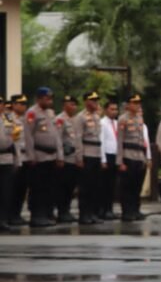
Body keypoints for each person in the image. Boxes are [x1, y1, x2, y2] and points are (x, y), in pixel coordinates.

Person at [24, 87, 64, 227]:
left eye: (51, 98)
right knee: (38, 188)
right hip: (39, 155)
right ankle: (37, 216)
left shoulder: (51, 113)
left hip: (51, 156)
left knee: (49, 187)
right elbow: (28, 135)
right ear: (39, 99)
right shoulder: (32, 113)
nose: (50, 101)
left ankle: (47, 214)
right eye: (47, 99)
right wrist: (31, 156)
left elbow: (56, 136)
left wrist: (60, 155)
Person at [116, 94, 151, 222]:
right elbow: (119, 141)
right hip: (128, 155)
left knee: (137, 185)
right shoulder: (123, 119)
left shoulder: (139, 118)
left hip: (139, 155)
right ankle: (127, 211)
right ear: (128, 105)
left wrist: (145, 158)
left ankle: (136, 210)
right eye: (134, 103)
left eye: (138, 103)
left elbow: (142, 139)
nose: (137, 105)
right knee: (127, 186)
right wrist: (120, 161)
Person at [74, 92, 104, 225]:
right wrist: (79, 157)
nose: (95, 102)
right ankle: (84, 214)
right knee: (85, 186)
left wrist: (101, 157)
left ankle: (92, 213)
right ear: (86, 102)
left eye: (96, 100)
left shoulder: (97, 117)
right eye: (92, 100)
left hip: (96, 153)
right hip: (86, 153)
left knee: (95, 186)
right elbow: (77, 138)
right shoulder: (80, 117)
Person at [55, 95, 80, 223]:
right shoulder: (60, 119)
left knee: (71, 186)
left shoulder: (76, 120)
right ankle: (62, 211)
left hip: (74, 158)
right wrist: (60, 157)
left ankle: (67, 210)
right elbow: (58, 139)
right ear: (64, 105)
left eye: (75, 105)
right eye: (71, 104)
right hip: (65, 158)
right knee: (62, 187)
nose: (73, 107)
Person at [0, 96, 20, 232]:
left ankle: (3, 219)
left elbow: (15, 141)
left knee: (6, 191)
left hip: (6, 158)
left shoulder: (9, 120)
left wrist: (17, 159)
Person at [8, 94, 28, 226]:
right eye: (21, 104)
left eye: (25, 104)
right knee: (13, 188)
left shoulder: (25, 119)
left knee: (22, 188)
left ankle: (17, 214)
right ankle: (10, 215)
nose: (23, 106)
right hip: (16, 157)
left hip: (26, 156)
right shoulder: (9, 119)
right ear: (14, 105)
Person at [99, 100, 120, 220]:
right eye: (112, 109)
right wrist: (103, 159)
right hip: (107, 155)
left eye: (116, 109)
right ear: (106, 110)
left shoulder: (117, 123)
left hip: (115, 155)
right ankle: (103, 209)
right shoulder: (102, 123)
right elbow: (101, 142)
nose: (114, 112)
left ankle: (109, 209)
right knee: (104, 185)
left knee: (112, 184)